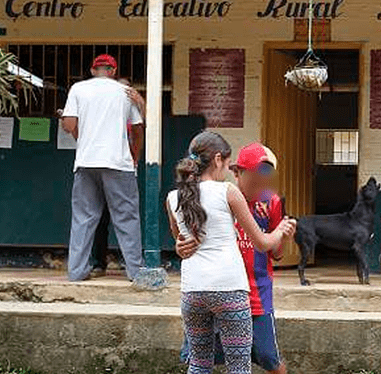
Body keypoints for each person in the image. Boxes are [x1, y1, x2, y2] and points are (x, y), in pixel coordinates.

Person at [166, 131, 296, 374]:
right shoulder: (227, 192)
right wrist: (279, 231)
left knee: (199, 363)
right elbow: (264, 243)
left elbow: (183, 241)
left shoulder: (174, 196)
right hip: (230, 291)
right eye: (227, 166)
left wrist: (179, 246)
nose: (261, 184)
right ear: (225, 165)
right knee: (238, 366)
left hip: (195, 291)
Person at [61, 54, 145, 281]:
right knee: (126, 218)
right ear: (113, 71)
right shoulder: (124, 92)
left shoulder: (78, 89)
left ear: (92, 70)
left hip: (86, 162)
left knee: (83, 218)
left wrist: (83, 139)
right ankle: (135, 272)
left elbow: (69, 125)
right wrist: (134, 156)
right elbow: (138, 128)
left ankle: (76, 271)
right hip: (119, 164)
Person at [90, 77, 146, 277]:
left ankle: (132, 264)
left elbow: (147, 124)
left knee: (127, 220)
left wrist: (139, 100)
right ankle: (98, 262)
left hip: (124, 170)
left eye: (126, 88)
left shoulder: (132, 108)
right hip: (103, 167)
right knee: (100, 217)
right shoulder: (104, 112)